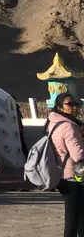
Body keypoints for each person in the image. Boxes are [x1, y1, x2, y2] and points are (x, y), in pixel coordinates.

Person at [49, 92, 84, 237]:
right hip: (73, 176)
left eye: (74, 104)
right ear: (60, 107)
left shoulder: (53, 122)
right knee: (73, 217)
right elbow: (78, 154)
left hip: (61, 173)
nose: (74, 107)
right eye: (69, 104)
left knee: (79, 213)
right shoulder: (69, 126)